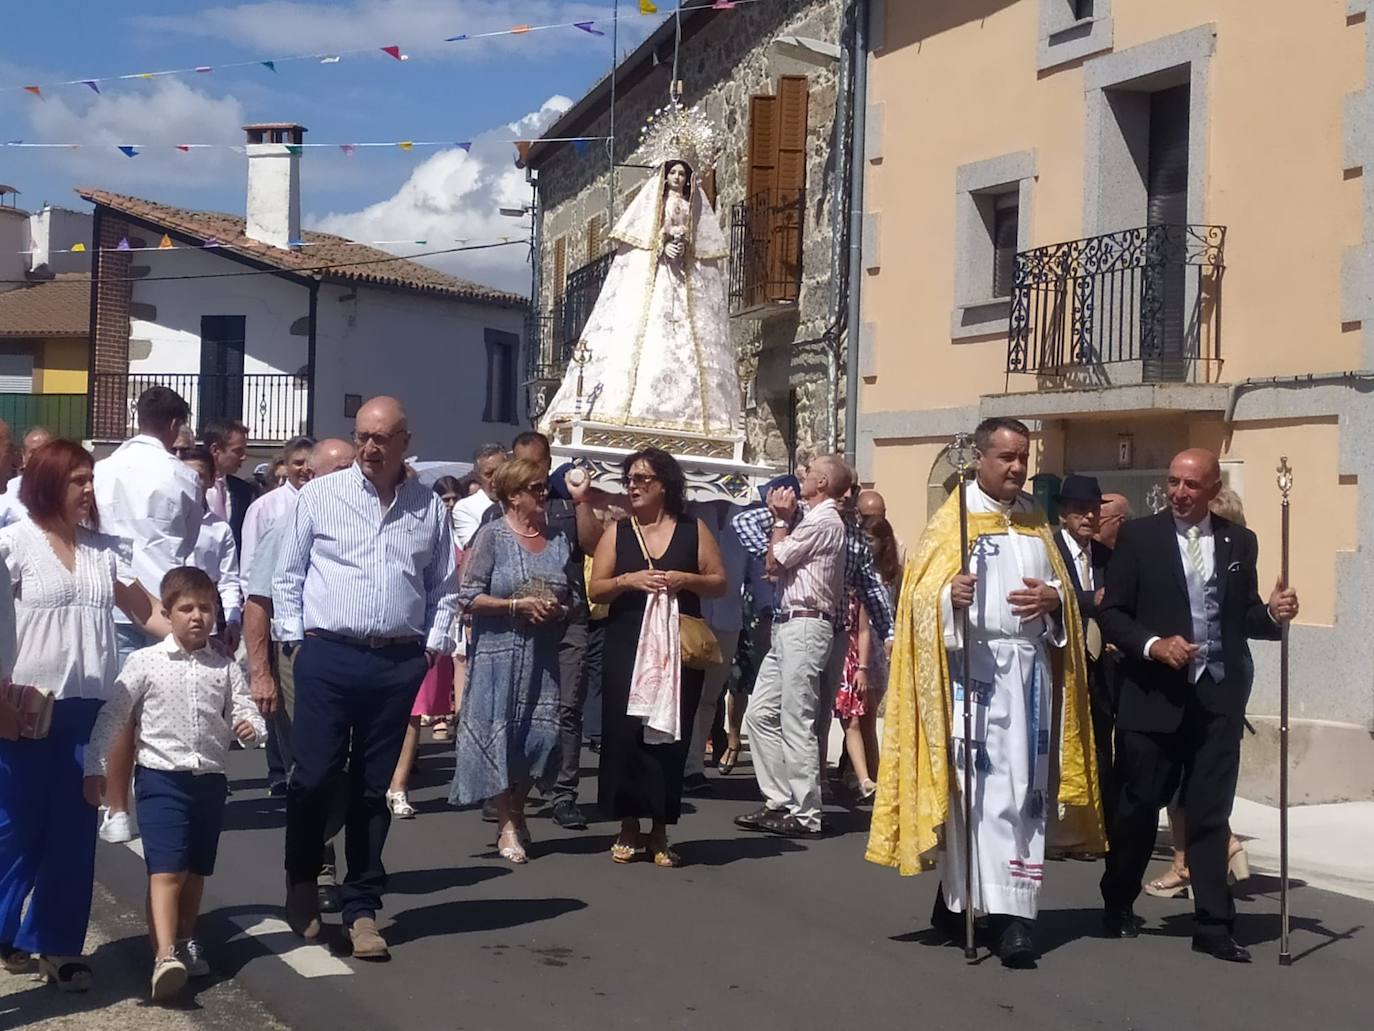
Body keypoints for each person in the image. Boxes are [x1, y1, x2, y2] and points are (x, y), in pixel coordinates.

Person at [866, 417, 1104, 969]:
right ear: (980, 459)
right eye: (1006, 457)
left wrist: (1053, 602)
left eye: (1023, 458)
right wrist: (947, 596)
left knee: (1024, 796)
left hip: (1029, 676)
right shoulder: (954, 520)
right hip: (972, 678)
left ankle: (965, 905)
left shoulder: (1035, 520)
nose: (1017, 468)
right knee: (980, 800)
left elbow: (1067, 598)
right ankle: (1011, 921)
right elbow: (915, 600)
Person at [273, 397, 458, 961]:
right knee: (315, 777)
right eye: (363, 437)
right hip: (328, 653)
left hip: (396, 660)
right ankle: (302, 879)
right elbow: (287, 575)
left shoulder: (428, 508)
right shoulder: (320, 497)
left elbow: (444, 587)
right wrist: (296, 644)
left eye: (382, 439)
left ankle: (361, 909)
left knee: (373, 789)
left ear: (405, 440)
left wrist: (430, 649)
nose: (370, 448)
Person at [1099, 449, 1298, 963]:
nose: (1180, 493)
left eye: (1191, 485)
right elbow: (1114, 614)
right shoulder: (1139, 538)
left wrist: (1273, 615)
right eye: (1173, 483)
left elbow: (1242, 616)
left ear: (1213, 489)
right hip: (1152, 697)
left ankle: (1214, 922)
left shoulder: (1239, 541)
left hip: (1215, 697)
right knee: (1139, 805)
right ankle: (1118, 898)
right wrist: (1153, 645)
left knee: (1210, 810)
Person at [0, 439, 165, 991]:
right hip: (24, 710)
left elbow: (146, 613)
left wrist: (198, 633)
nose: (90, 489)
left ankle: (56, 944)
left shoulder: (103, 551)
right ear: (47, 484)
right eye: (78, 480)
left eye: (90, 479)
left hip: (90, 712)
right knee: (17, 830)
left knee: (74, 833)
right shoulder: (13, 546)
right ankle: (4, 927)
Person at [83, 567, 264, 1000]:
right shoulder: (144, 663)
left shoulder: (223, 666)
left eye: (206, 608)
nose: (197, 617)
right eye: (186, 609)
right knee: (165, 870)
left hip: (210, 781)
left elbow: (247, 710)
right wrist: (95, 765)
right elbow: (114, 716)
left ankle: (186, 936)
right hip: (161, 778)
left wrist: (251, 729)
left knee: (195, 871)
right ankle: (165, 955)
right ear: (167, 613)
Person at [539, 145, 739, 440]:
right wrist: (662, 244)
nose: (678, 178)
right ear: (663, 175)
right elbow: (646, 236)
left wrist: (683, 246)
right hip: (655, 275)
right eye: (673, 172)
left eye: (683, 173)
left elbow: (696, 237)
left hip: (684, 280)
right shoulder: (651, 207)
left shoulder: (691, 205)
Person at [589, 448, 726, 867]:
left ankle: (661, 830)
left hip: (676, 647)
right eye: (629, 478)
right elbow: (596, 589)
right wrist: (629, 580)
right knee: (624, 732)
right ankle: (628, 825)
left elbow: (719, 582)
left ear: (664, 485)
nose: (633, 486)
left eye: (642, 479)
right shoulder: (618, 531)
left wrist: (686, 579)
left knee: (670, 735)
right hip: (628, 641)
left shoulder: (693, 529)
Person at [476, 433, 612, 830]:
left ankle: (563, 793)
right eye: (524, 464)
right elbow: (476, 582)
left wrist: (582, 500)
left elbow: (594, 546)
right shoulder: (494, 518)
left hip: (566, 622)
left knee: (566, 709)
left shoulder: (564, 505)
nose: (533, 474)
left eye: (539, 464)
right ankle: (503, 790)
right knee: (511, 711)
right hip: (513, 629)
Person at [243, 439, 355, 910]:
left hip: (353, 658)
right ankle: (315, 868)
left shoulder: (366, 524)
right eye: (341, 471)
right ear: (311, 476)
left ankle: (326, 858)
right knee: (311, 767)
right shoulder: (288, 526)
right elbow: (258, 603)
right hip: (298, 656)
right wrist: (261, 673)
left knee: (349, 769)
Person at [449, 457, 574, 861]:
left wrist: (556, 609)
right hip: (499, 656)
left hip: (542, 655)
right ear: (515, 495)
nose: (545, 495)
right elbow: (467, 597)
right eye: (537, 488)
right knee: (503, 738)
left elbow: (569, 595)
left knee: (540, 738)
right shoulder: (492, 537)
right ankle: (506, 823)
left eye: (545, 488)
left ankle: (518, 809)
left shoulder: (558, 540)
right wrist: (515, 605)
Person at [93, 386, 200, 845]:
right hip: (162, 601)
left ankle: (116, 808)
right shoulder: (182, 475)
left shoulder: (102, 469)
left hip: (115, 599)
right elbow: (191, 537)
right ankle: (162, 805)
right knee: (166, 712)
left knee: (120, 710)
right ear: (175, 425)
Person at [731, 457, 851, 839]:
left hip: (806, 623)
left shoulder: (824, 521)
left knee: (796, 718)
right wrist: (779, 541)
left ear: (823, 480)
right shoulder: (813, 519)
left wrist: (781, 522)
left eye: (809, 471)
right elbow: (772, 564)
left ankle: (806, 813)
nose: (802, 476)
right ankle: (781, 799)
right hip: (788, 623)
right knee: (761, 714)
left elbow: (777, 558)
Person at [385, 478, 467, 818]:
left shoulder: (435, 525)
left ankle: (398, 786)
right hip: (374, 632)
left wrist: (437, 639)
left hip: (416, 634)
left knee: (412, 714)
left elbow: (447, 583)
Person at [1052, 474, 1116, 833]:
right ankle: (1060, 818)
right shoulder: (1048, 549)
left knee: (1101, 740)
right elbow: (1046, 597)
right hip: (1061, 661)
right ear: (1064, 514)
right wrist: (1090, 601)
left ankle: (1098, 821)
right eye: (1080, 510)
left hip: (1101, 664)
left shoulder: (1108, 555)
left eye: (1094, 511)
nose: (1089, 518)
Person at [834, 505, 902, 800]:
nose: (866, 544)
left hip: (875, 646)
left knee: (868, 715)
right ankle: (861, 773)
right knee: (855, 716)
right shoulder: (858, 570)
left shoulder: (892, 571)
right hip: (856, 646)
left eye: (871, 539)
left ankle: (874, 775)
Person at [682, 500, 748, 795]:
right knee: (689, 692)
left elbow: (753, 566)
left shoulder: (744, 515)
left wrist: (766, 605)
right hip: (695, 615)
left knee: (710, 696)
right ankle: (690, 764)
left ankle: (694, 759)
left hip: (729, 618)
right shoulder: (694, 511)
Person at [179, 447, 243, 652]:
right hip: (168, 620)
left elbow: (229, 578)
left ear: (211, 479)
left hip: (207, 623)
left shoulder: (220, 529)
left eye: (198, 476)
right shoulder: (165, 522)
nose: (192, 482)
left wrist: (233, 620)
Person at [240, 436, 314, 585]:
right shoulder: (264, 507)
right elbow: (250, 561)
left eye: (310, 463)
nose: (305, 469)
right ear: (286, 466)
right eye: (298, 463)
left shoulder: (326, 502)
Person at [199, 418, 254, 554]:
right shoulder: (191, 486)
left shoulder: (244, 492)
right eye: (237, 451)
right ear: (215, 450)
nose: (244, 457)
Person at [451, 444, 507, 549]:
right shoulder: (464, 507)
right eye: (489, 474)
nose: (496, 479)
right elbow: (473, 548)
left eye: (500, 471)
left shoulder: (522, 500)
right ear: (478, 477)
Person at [0, 425, 54, 528]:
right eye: (34, 452)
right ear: (23, 455)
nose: (40, 457)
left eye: (46, 450)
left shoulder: (67, 489)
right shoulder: (8, 493)